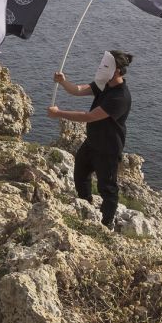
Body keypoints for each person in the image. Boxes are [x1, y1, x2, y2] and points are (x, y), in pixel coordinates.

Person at [47, 50, 133, 229]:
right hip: (92, 142)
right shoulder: (104, 85)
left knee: (107, 187)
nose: (101, 68)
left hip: (108, 149)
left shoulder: (120, 97)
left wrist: (59, 113)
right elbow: (78, 90)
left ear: (116, 70)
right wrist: (63, 82)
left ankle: (105, 223)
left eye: (105, 66)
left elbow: (89, 116)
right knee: (80, 175)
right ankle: (85, 205)